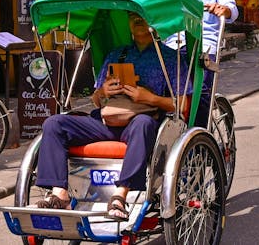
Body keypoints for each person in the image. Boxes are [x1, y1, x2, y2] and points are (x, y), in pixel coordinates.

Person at [33, 12, 190, 220]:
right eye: (133, 16)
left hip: (140, 124)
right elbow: (96, 100)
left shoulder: (170, 58)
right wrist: (103, 92)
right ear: (128, 23)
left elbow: (183, 106)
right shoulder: (117, 55)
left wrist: (150, 98)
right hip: (106, 122)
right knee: (54, 123)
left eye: (143, 15)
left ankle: (120, 195)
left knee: (143, 123)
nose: (138, 20)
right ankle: (59, 195)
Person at [165, 0, 238, 123]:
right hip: (172, 44)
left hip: (204, 46)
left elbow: (231, 9)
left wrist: (223, 9)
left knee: (201, 89)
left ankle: (200, 134)